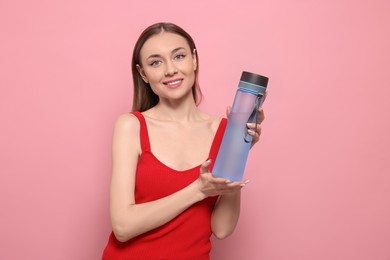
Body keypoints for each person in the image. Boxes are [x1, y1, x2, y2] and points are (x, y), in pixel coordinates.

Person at [102, 22, 266, 260]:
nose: (170, 70)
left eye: (178, 56)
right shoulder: (131, 126)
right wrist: (198, 190)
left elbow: (222, 229)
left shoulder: (222, 130)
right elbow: (123, 227)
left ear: (194, 60)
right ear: (143, 73)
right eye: (156, 62)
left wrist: (238, 150)